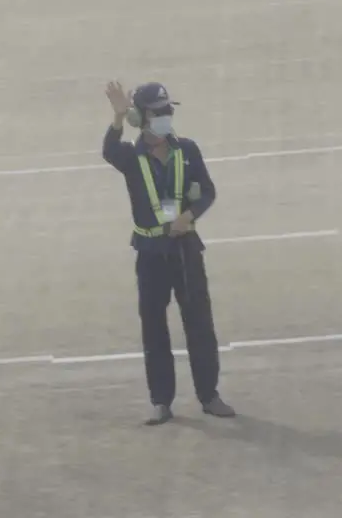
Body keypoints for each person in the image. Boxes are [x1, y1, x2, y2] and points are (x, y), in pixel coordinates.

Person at [102, 80, 236, 426]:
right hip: (150, 252)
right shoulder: (131, 157)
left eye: (168, 111)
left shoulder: (187, 150)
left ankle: (210, 395)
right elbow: (108, 151)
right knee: (154, 328)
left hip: (184, 249)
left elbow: (207, 191)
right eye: (159, 112)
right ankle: (161, 400)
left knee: (200, 325)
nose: (166, 117)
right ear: (141, 118)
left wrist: (189, 217)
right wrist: (117, 118)